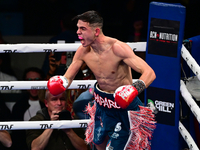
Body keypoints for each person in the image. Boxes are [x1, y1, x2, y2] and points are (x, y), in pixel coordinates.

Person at [47, 10, 156, 150]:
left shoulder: (118, 48)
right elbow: (69, 76)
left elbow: (150, 73)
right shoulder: (83, 51)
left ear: (96, 31)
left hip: (123, 108)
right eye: (78, 28)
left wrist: (134, 89)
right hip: (102, 105)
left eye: (83, 29)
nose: (78, 32)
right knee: (98, 144)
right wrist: (62, 82)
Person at [11, 67, 46, 150]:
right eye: (29, 80)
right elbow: (16, 136)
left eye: (37, 80)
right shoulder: (19, 106)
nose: (33, 84)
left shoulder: (48, 104)